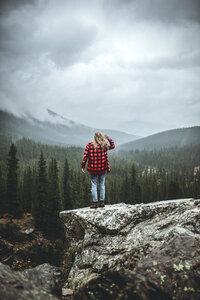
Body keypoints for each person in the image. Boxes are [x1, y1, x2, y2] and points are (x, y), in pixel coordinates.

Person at [81, 132, 115, 208]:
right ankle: (101, 202)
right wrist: (108, 139)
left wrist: (83, 166)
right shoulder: (104, 145)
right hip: (102, 168)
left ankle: (94, 203)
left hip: (93, 169)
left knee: (94, 185)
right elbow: (112, 146)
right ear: (101, 137)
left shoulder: (89, 145)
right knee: (102, 184)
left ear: (94, 137)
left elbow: (85, 156)